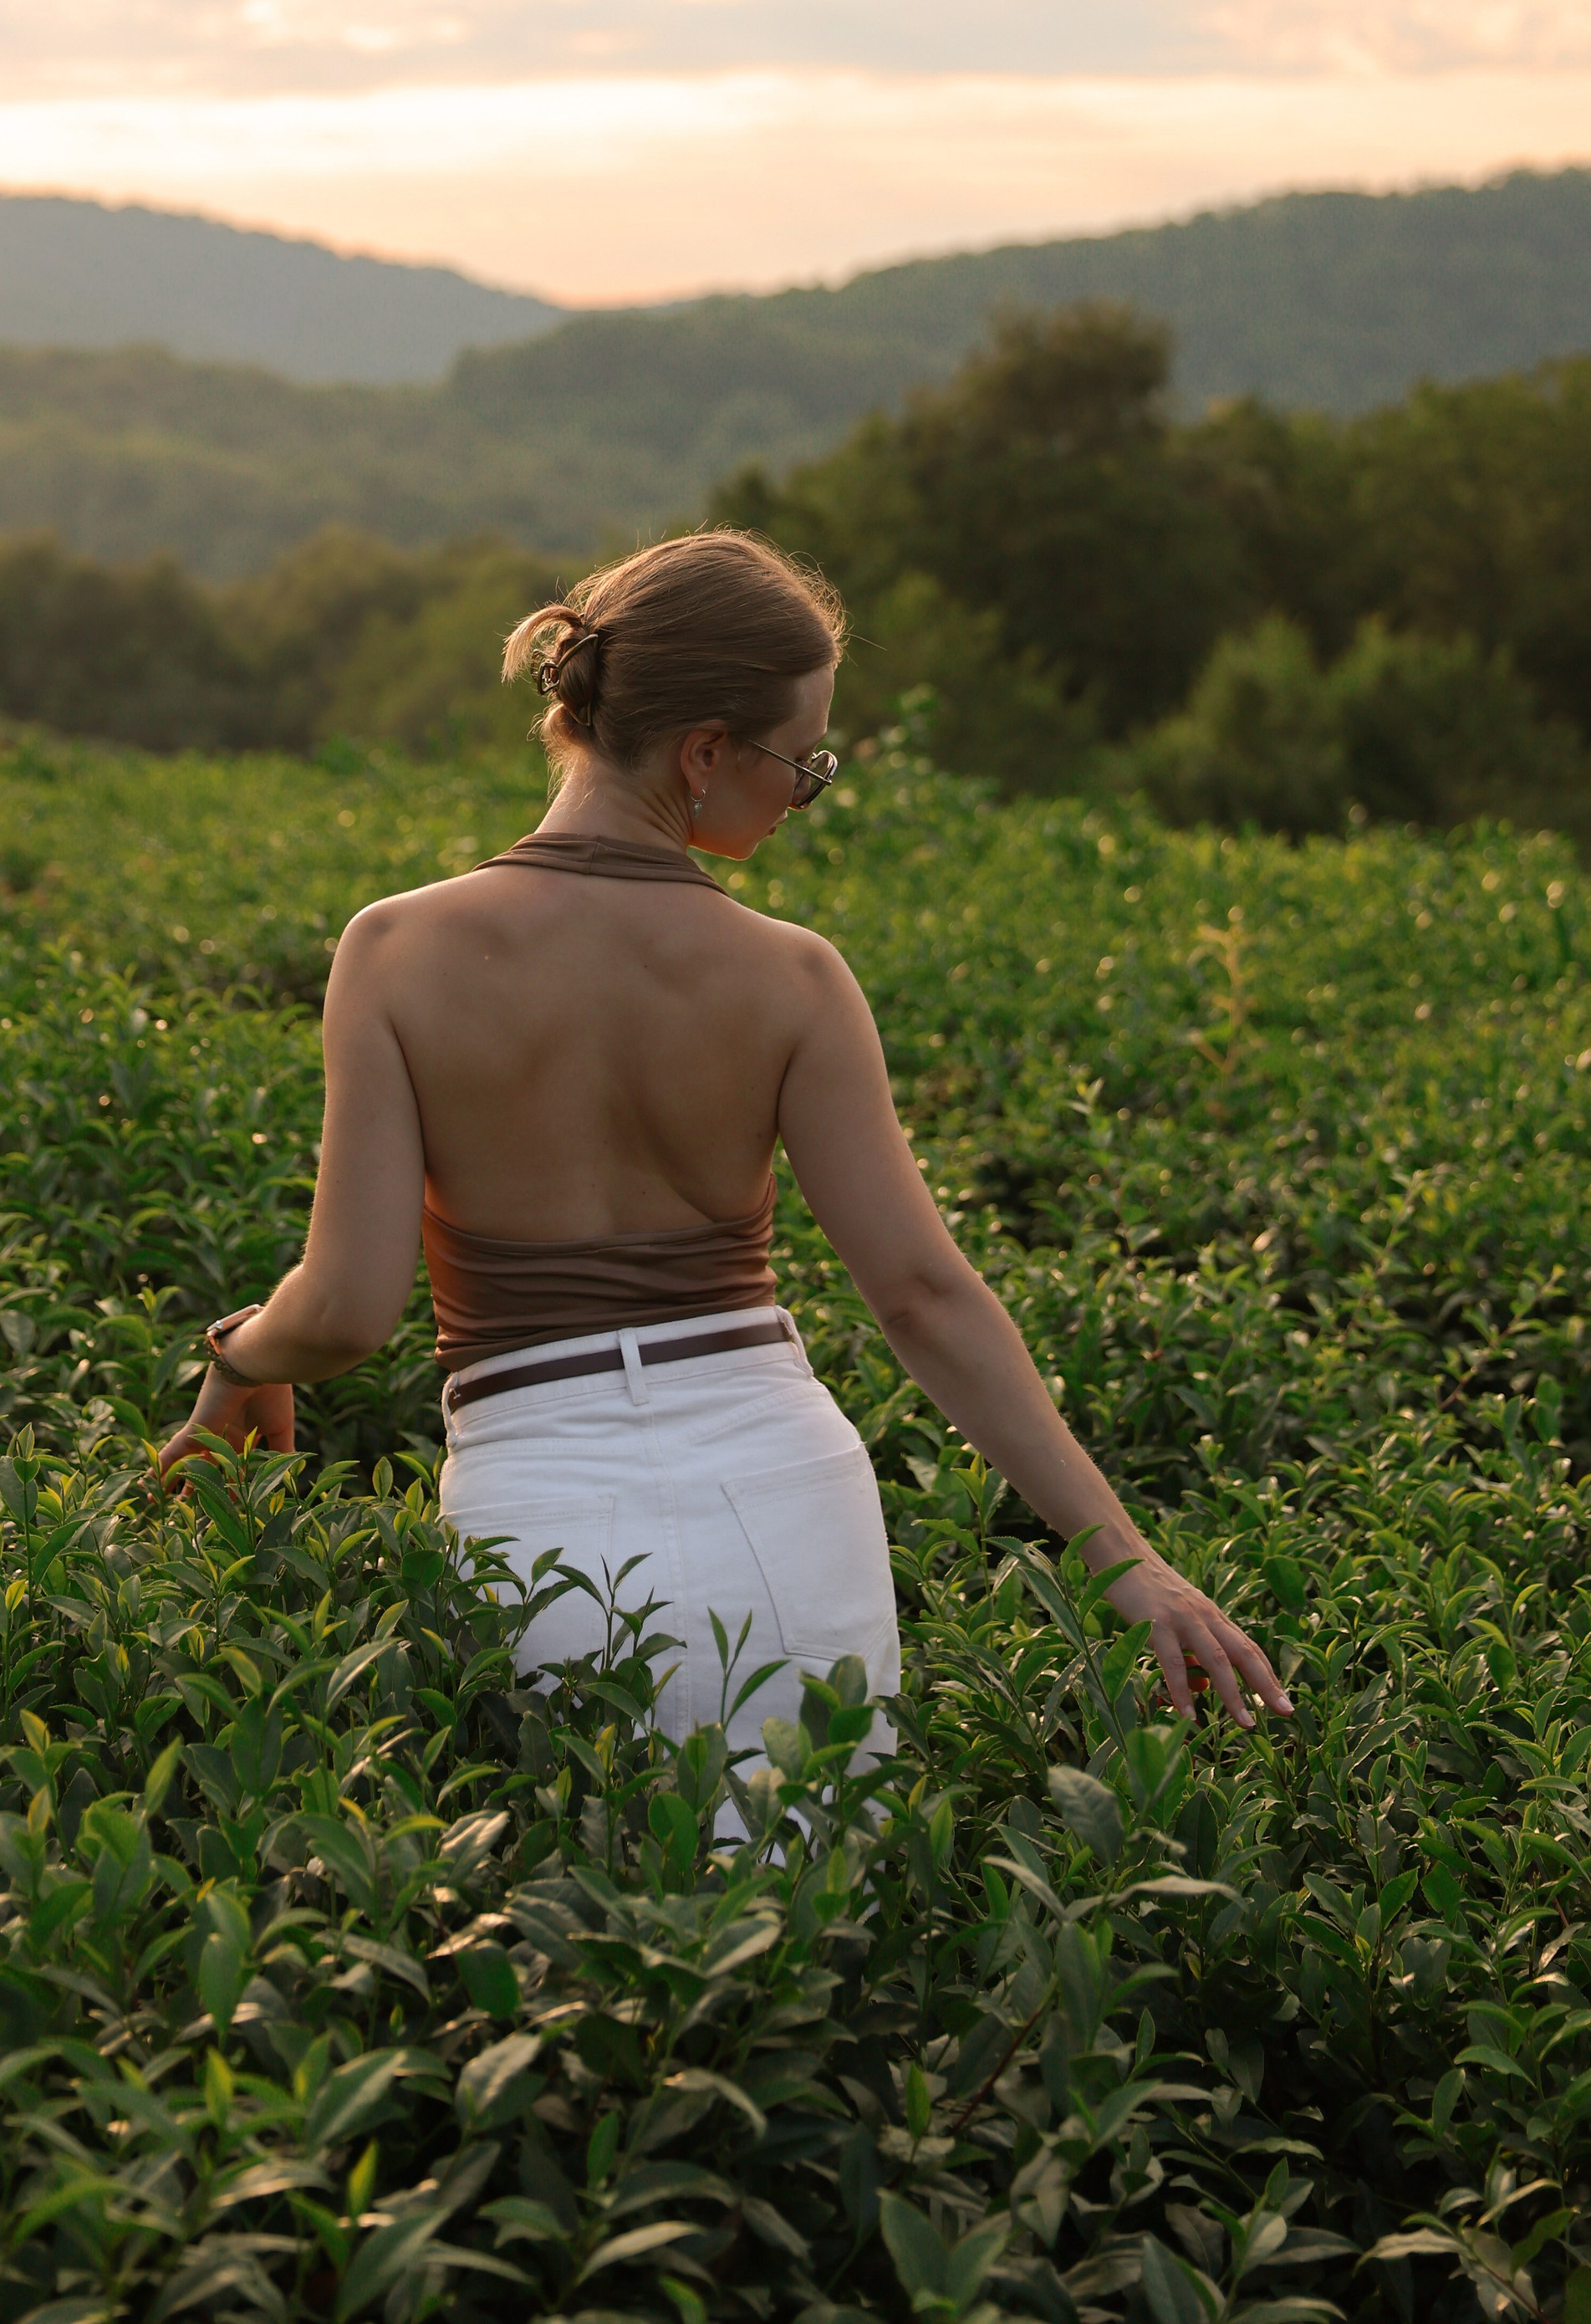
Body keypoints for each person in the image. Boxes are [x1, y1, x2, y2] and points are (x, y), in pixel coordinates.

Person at [157, 529, 1289, 1772]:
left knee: (605, 1924)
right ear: (704, 754)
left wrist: (237, 1357)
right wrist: (1133, 1566)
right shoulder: (794, 979)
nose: (805, 793)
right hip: (793, 1495)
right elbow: (922, 1298)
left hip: (545, 1512)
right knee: (816, 1920)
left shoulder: (396, 951)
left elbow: (348, 1308)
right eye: (804, 763)